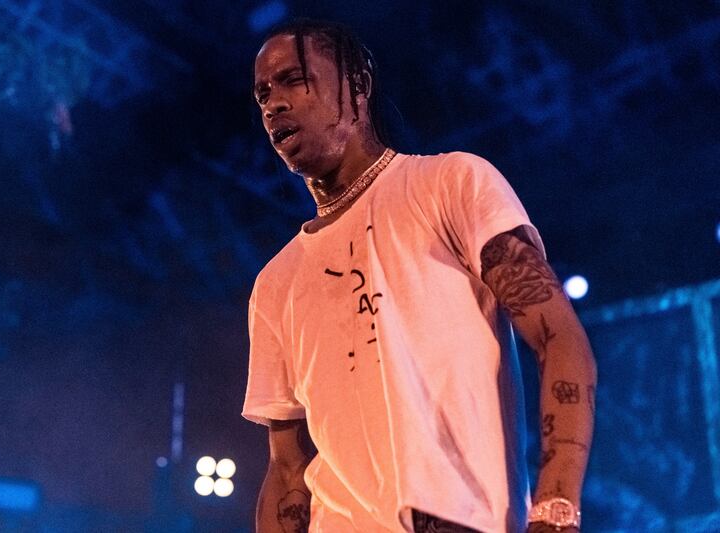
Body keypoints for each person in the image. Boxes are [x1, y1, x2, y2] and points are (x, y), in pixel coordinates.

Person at [242, 18, 596, 533]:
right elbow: (287, 467)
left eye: (293, 80)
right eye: (262, 95)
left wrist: (556, 510)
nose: (273, 104)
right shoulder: (275, 284)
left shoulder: (451, 183)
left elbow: (558, 336)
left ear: (358, 84)